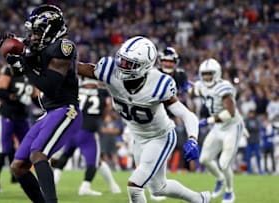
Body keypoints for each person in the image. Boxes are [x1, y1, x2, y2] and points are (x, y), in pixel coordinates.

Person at [78, 36, 211, 203]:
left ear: (144, 66)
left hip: (160, 137)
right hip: (138, 137)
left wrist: (193, 139)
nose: (121, 66)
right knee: (158, 188)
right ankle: (199, 199)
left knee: (135, 186)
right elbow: (76, 68)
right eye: (121, 60)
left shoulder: (159, 84)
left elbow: (187, 114)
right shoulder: (109, 70)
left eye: (128, 64)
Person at [6, 4, 83, 203]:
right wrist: (13, 55)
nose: (33, 36)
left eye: (38, 31)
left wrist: (24, 63)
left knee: (38, 154)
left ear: (52, 29)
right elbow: (17, 73)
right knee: (18, 166)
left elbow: (50, 86)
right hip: (49, 112)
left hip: (66, 110)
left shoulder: (63, 47)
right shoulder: (42, 48)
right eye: (32, 32)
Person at [52, 77, 121, 196]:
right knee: (93, 163)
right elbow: (106, 111)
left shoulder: (76, 90)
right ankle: (85, 187)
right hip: (88, 132)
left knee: (66, 156)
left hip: (72, 130)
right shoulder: (101, 93)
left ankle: (52, 182)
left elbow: (68, 108)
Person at [192, 58, 244, 203]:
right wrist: (191, 87)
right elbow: (195, 91)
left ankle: (229, 192)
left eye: (210, 74)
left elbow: (230, 113)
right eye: (205, 74)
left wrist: (207, 120)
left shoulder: (224, 87)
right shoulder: (201, 85)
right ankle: (220, 179)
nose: (207, 77)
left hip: (232, 126)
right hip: (218, 127)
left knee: (224, 163)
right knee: (204, 159)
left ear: (217, 73)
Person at [0, 60, 40, 193]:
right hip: (7, 116)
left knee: (29, 149)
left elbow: (35, 97)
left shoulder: (32, 74)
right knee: (3, 149)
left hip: (22, 118)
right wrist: (16, 97)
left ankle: (23, 178)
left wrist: (46, 107)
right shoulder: (10, 71)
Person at [244, 110, 263, 175]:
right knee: (248, 157)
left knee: (258, 156)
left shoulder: (257, 120)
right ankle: (249, 171)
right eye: (250, 114)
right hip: (249, 141)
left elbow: (258, 128)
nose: (251, 115)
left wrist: (251, 128)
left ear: (254, 114)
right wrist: (252, 128)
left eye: (252, 113)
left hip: (256, 141)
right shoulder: (247, 120)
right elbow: (246, 128)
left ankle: (260, 170)